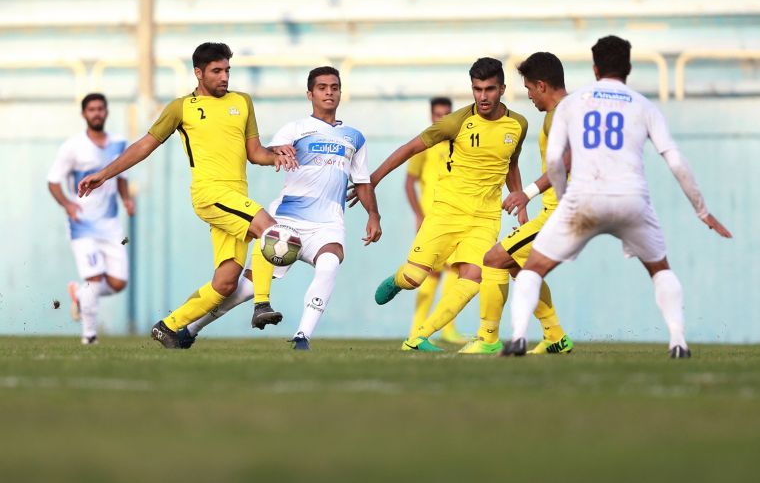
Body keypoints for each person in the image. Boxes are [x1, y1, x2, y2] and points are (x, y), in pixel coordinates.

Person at [502, 35, 732, 358]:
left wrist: (566, 201)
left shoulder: (573, 104)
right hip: (631, 200)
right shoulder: (644, 106)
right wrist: (702, 211)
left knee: (532, 269)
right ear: (629, 68)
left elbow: (555, 161)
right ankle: (678, 341)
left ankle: (517, 337)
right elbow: (676, 161)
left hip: (583, 200)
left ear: (595, 70)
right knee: (660, 270)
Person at [77, 42, 297, 348]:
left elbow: (255, 152)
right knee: (272, 231)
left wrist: (276, 155)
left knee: (225, 283)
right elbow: (144, 145)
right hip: (210, 193)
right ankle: (261, 304)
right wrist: (104, 174)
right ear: (198, 73)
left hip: (236, 199)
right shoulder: (182, 107)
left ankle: (168, 326)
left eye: (227, 70)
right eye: (216, 71)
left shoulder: (242, 102)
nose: (224, 77)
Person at [180, 66, 382, 350]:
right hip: (286, 221)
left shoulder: (355, 137)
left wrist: (373, 214)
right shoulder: (295, 129)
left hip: (328, 224)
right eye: (322, 88)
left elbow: (362, 182)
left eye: (334, 87)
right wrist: (278, 151)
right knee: (247, 288)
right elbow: (265, 153)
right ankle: (190, 328)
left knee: (329, 264)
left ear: (340, 92)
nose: (329, 92)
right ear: (310, 94)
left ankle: (302, 337)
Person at [361, 57, 529, 352]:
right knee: (415, 277)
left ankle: (419, 337)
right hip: (447, 211)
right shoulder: (456, 122)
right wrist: (372, 179)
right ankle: (398, 280)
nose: (483, 96)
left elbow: (510, 165)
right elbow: (410, 148)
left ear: (502, 89)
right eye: (477, 89)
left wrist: (521, 203)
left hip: (485, 217)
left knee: (473, 277)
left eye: (489, 89)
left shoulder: (518, 125)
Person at [461, 52, 574, 355]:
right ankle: (555, 336)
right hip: (559, 211)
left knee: (493, 258)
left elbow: (568, 159)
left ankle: (487, 339)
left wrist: (527, 193)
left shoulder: (558, 114)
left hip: (560, 213)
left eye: (529, 89)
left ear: (541, 85)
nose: (529, 96)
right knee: (517, 265)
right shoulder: (572, 109)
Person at [47, 93, 135, 345]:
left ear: (106, 112)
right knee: (94, 279)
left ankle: (79, 294)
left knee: (118, 283)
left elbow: (121, 176)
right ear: (84, 114)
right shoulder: (72, 147)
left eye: (100, 109)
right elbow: (53, 181)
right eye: (91, 109)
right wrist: (68, 205)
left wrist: (126, 199)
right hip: (82, 225)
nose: (96, 113)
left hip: (111, 225)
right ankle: (89, 336)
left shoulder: (119, 143)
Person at [404, 97, 467, 345]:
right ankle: (416, 329)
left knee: (455, 270)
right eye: (438, 114)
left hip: (455, 217)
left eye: (446, 114)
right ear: (431, 116)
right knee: (426, 273)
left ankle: (448, 329)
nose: (442, 118)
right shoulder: (425, 143)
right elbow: (409, 182)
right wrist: (418, 214)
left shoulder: (458, 143)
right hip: (431, 219)